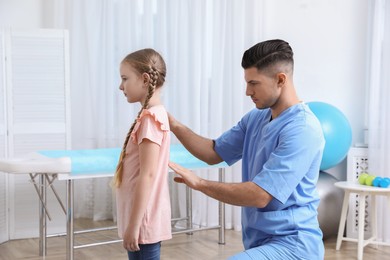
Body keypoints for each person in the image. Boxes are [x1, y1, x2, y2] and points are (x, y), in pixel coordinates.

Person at [168, 39, 325, 259]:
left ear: (281, 79)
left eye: (254, 83)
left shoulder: (303, 129)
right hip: (258, 241)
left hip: (293, 245)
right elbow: (213, 152)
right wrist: (173, 125)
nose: (247, 91)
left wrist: (200, 184)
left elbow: (261, 195)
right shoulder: (256, 117)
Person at [113, 48, 171, 260]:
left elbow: (147, 174)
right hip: (142, 219)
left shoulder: (150, 119)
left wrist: (134, 225)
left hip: (143, 221)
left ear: (145, 79)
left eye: (125, 78)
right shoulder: (152, 115)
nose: (121, 86)